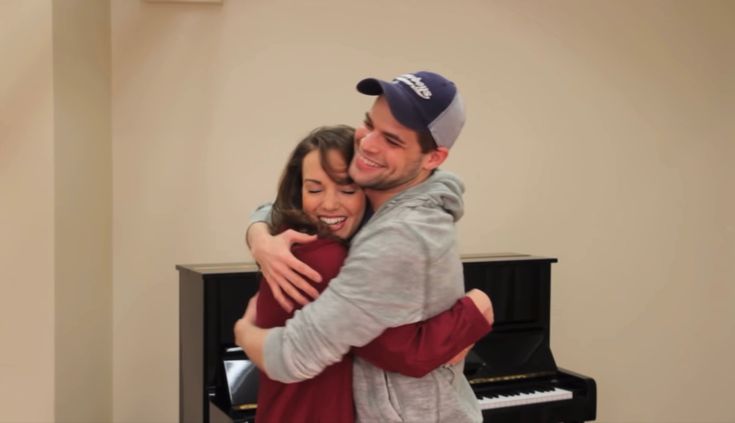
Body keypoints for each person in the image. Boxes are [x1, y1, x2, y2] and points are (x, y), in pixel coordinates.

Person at [236, 71, 487, 422]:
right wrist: (259, 233)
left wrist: (244, 334)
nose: (368, 144)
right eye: (369, 124)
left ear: (433, 159)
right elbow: (288, 201)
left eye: (393, 140)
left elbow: (400, 351)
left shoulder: (396, 236)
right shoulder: (381, 196)